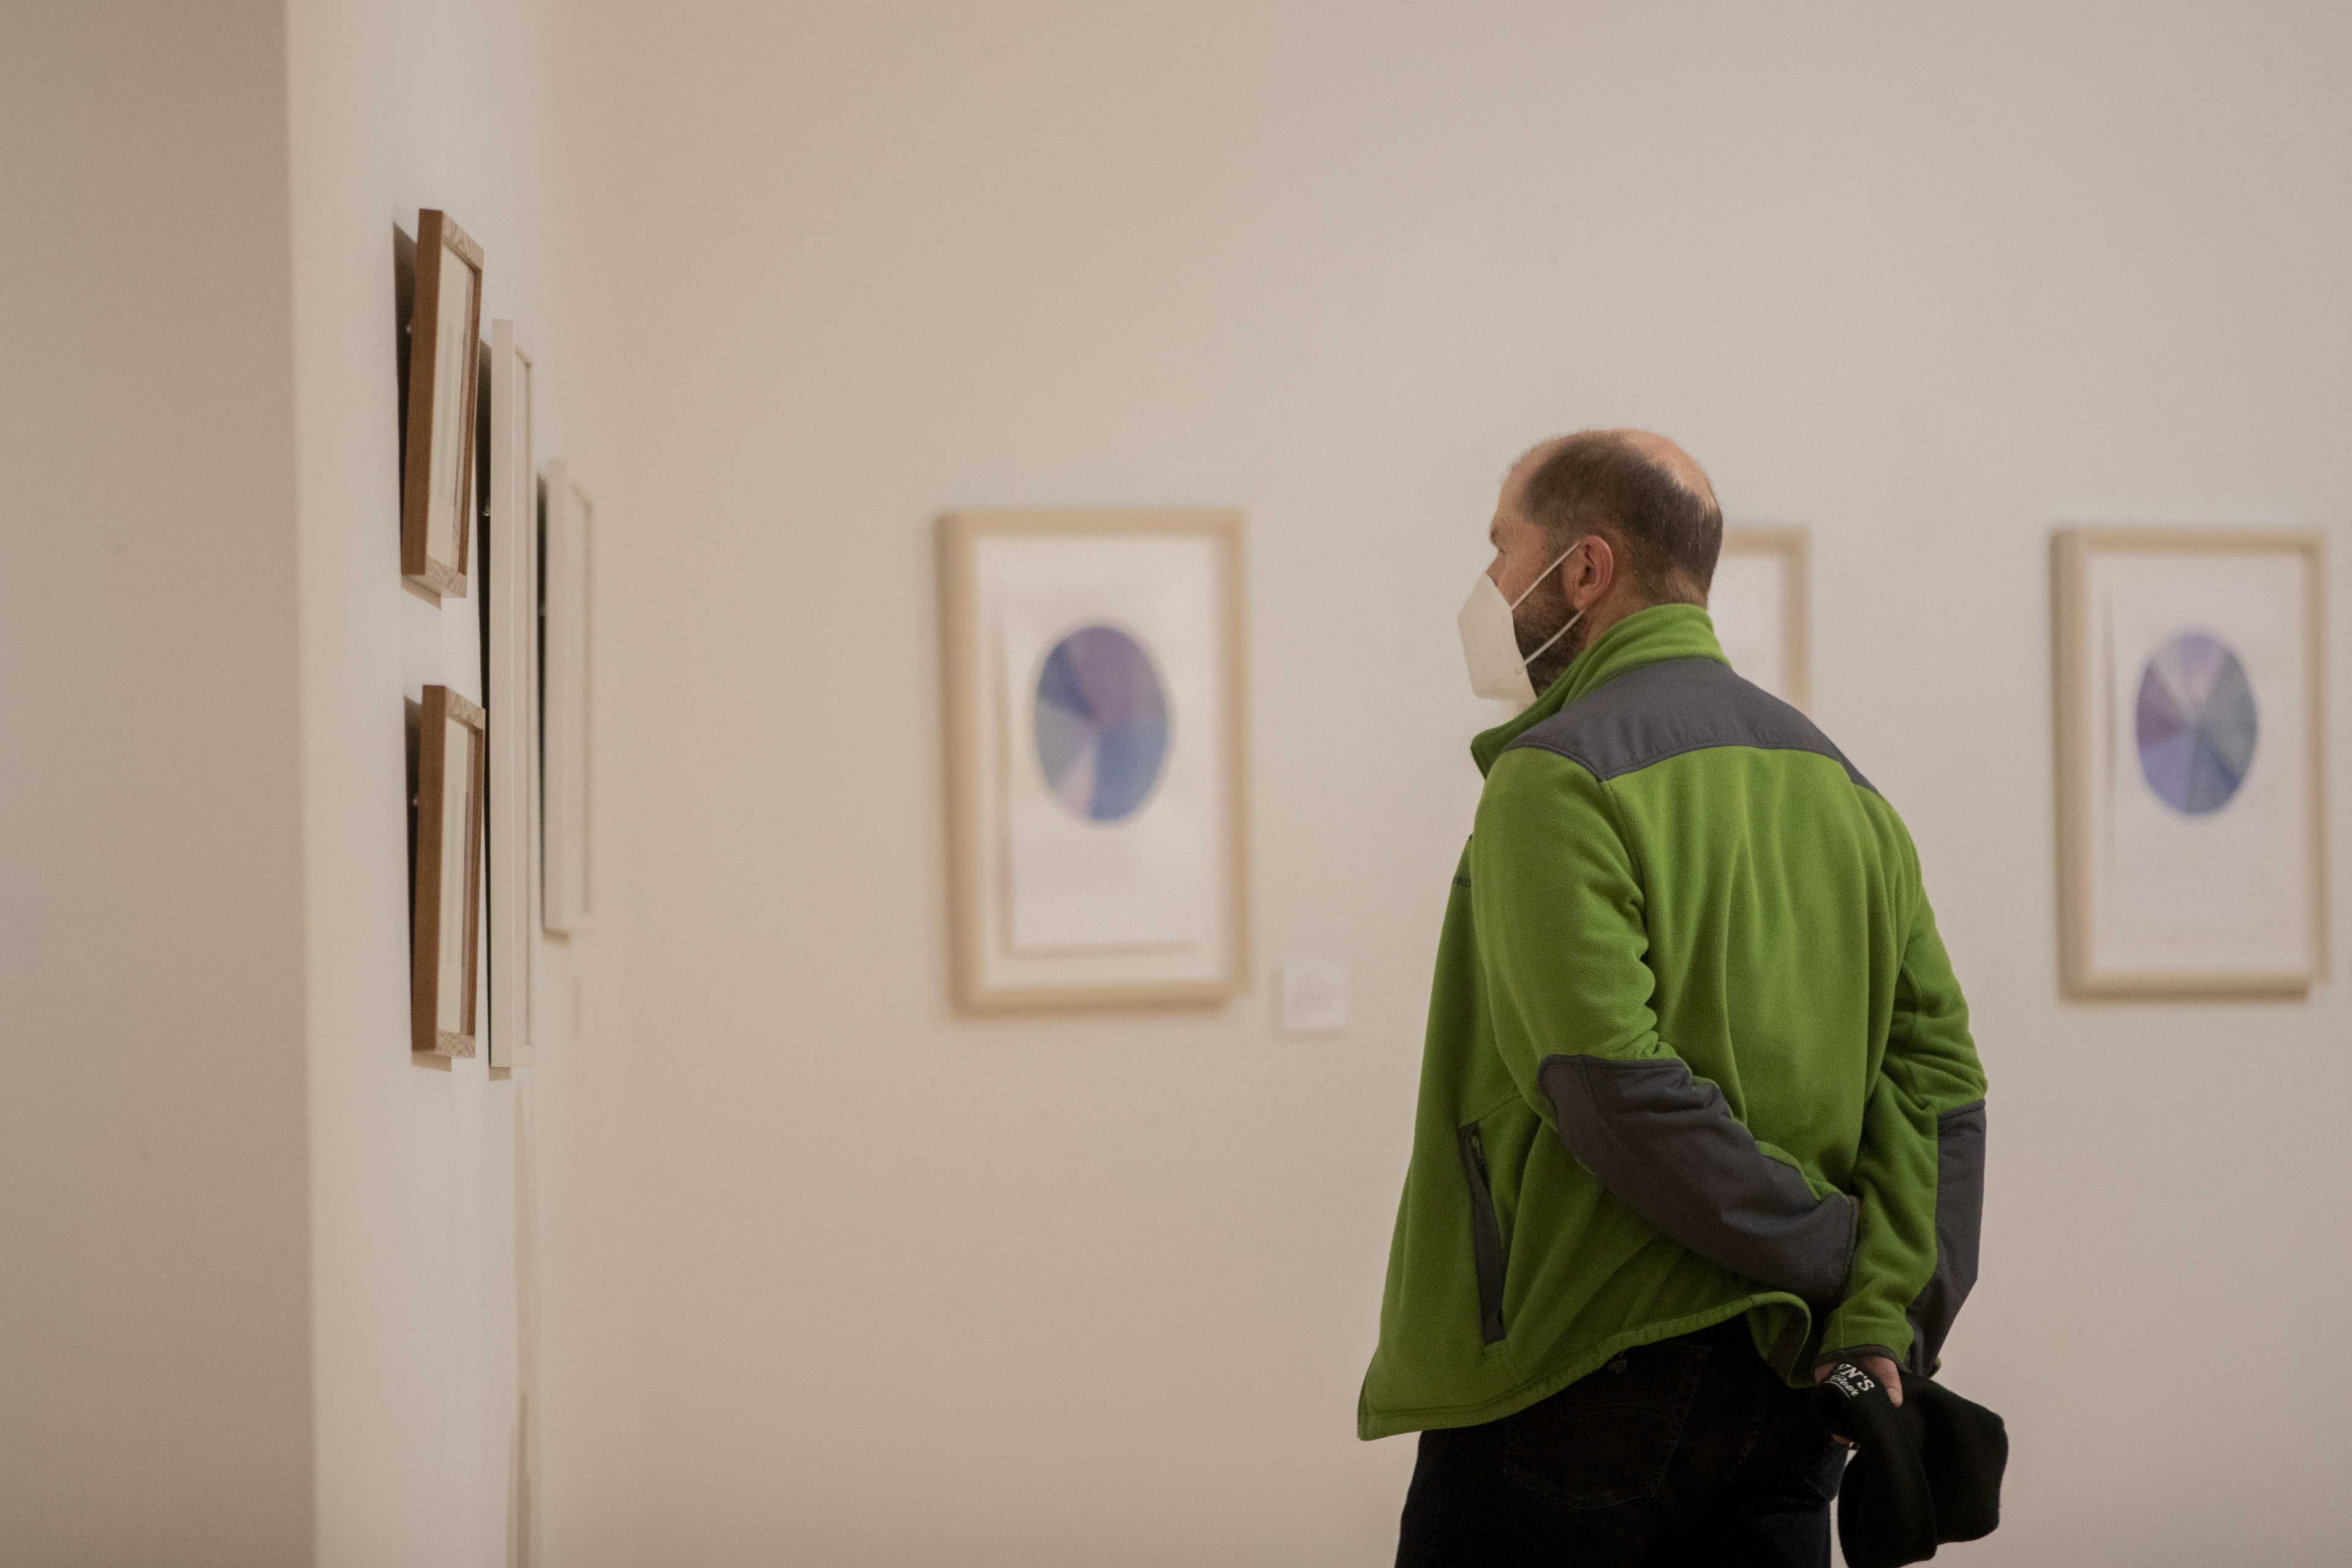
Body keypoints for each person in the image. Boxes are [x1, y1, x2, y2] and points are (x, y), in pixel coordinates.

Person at [1362, 430, 1989, 1567]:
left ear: (1585, 572)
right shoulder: (1845, 790)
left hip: (1576, 1371)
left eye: (1503, 551)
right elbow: (1940, 1088)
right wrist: (1882, 1314)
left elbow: (1609, 1089)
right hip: (1788, 1387)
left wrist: (1834, 1257)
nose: (1491, 589)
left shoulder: (1552, 779)